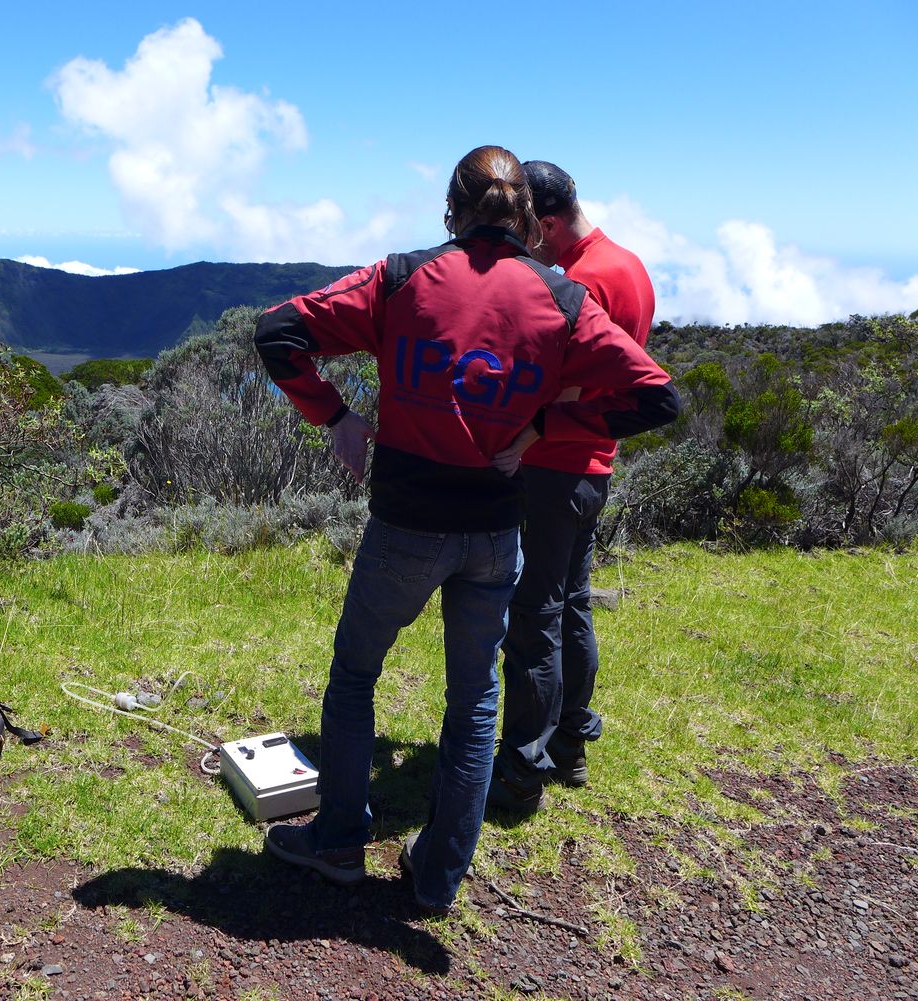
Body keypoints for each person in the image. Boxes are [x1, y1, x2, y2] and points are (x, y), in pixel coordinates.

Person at [252, 144, 679, 914]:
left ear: (451, 209)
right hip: (493, 530)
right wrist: (545, 425)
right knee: (473, 699)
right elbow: (655, 397)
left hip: (406, 524)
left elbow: (279, 331)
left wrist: (338, 418)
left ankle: (339, 841)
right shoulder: (562, 299)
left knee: (355, 674)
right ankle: (440, 875)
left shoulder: (401, 278)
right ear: (524, 217)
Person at [486, 161, 657, 815]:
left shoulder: (583, 280)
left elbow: (574, 386)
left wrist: (520, 442)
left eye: (529, 230)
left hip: (557, 466)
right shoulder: (629, 265)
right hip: (594, 467)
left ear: (547, 220)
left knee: (535, 616)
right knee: (572, 601)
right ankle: (570, 742)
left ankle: (521, 767)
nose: (526, 243)